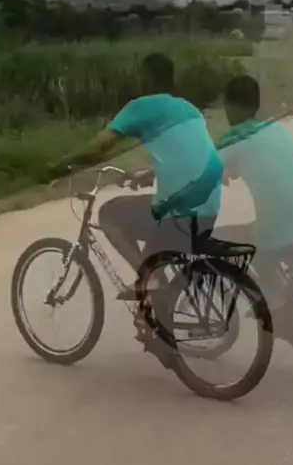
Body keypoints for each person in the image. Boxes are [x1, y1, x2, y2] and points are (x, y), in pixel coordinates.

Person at [52, 53, 223, 300]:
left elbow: (100, 146)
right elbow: (192, 154)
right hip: (209, 211)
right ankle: (157, 299)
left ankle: (150, 278)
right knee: (154, 258)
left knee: (110, 213)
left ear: (148, 79)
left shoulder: (140, 106)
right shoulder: (190, 109)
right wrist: (151, 173)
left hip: (178, 217)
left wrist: (61, 165)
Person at [215, 75, 293, 308]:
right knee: (263, 243)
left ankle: (277, 306)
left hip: (278, 229)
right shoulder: (275, 129)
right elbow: (260, 164)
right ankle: (280, 298)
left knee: (221, 238)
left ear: (229, 105)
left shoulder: (233, 142)